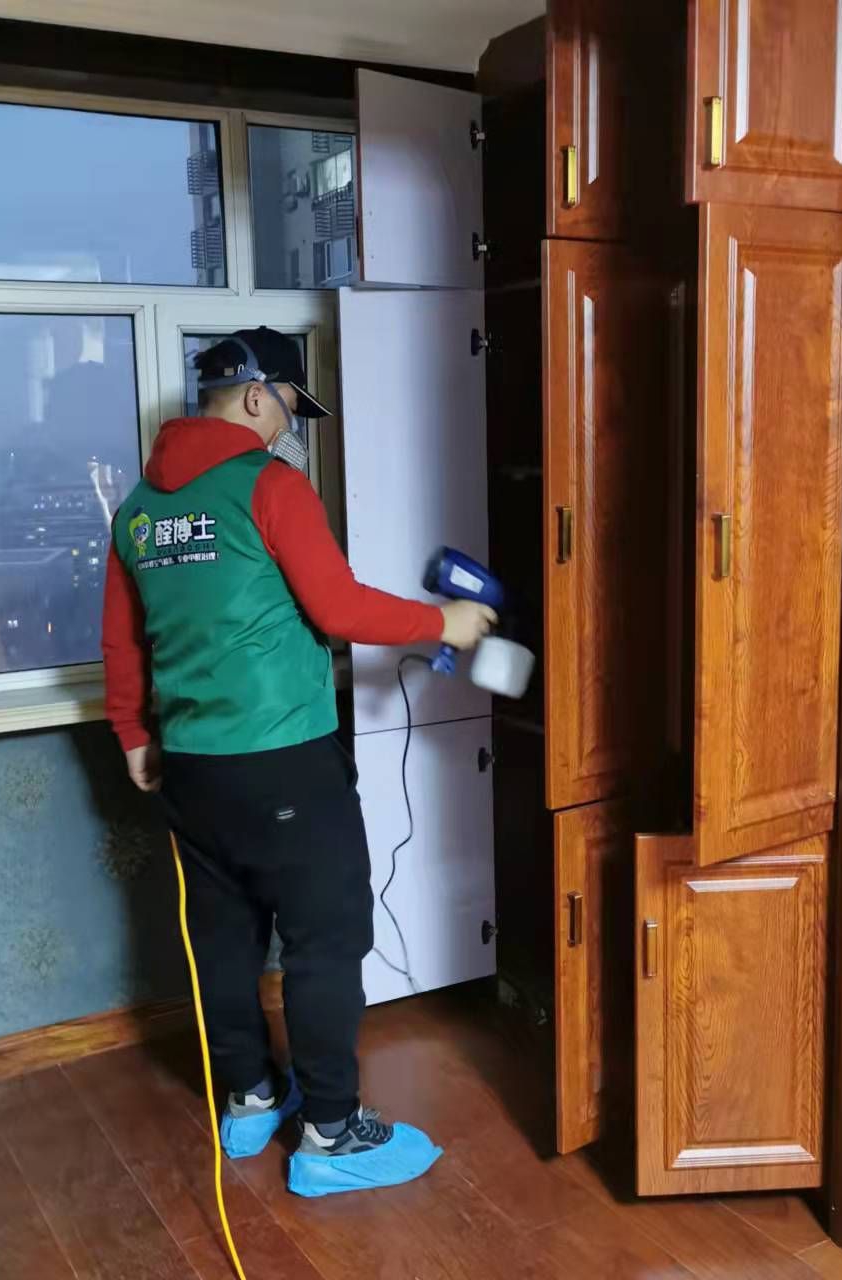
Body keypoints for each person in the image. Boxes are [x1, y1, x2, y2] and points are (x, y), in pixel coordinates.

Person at [101, 327, 495, 1198]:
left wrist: (133, 734)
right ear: (255, 396)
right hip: (283, 760)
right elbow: (339, 606)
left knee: (223, 938)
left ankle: (249, 1099)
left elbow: (122, 642)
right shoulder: (269, 485)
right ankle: (331, 1133)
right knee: (325, 939)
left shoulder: (137, 511)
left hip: (191, 768)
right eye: (287, 407)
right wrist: (445, 623)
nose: (289, 426)